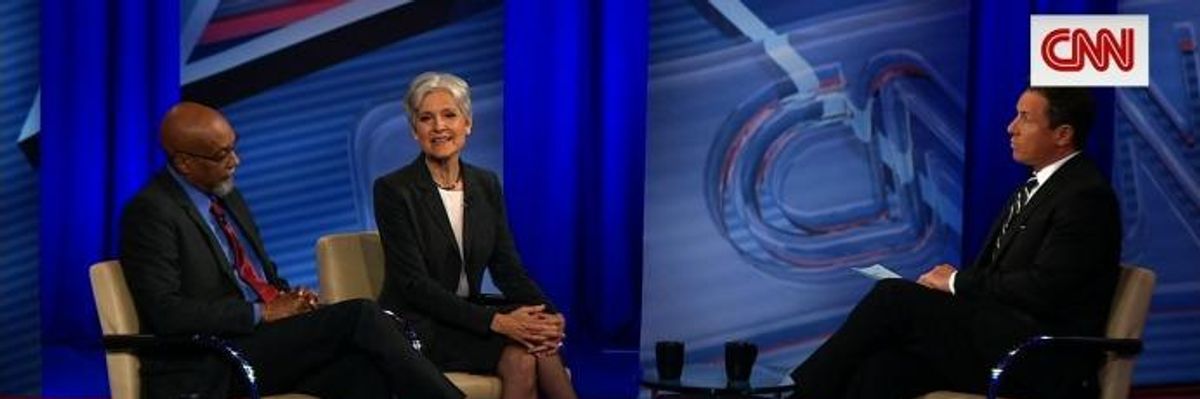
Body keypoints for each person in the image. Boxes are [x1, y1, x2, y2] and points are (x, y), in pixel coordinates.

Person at [789, 87, 1120, 398]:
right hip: (1000, 340)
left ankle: (796, 393)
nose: (1011, 127)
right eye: (1015, 115)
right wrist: (949, 290)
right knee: (880, 373)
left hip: (1041, 359)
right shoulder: (1035, 189)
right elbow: (1002, 276)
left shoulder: (1084, 195)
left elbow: (1046, 289)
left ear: (1062, 134)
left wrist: (956, 282)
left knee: (894, 298)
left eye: (1025, 118)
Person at [120, 101, 464, 399]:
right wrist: (262, 313)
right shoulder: (152, 211)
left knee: (363, 374)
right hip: (212, 357)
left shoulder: (227, 194)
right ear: (184, 163)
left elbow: (259, 274)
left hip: (262, 343)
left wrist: (290, 299)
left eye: (234, 146)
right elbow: (165, 312)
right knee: (361, 314)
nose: (235, 161)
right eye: (221, 154)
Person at [373, 72, 578, 399]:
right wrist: (497, 321)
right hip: (418, 325)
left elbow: (508, 268)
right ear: (415, 131)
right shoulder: (394, 190)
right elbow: (414, 286)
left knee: (529, 350)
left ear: (467, 124)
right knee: (528, 345)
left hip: (466, 317)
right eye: (426, 118)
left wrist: (551, 316)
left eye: (449, 115)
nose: (439, 126)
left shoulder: (485, 184)